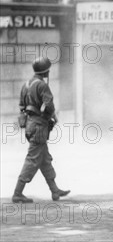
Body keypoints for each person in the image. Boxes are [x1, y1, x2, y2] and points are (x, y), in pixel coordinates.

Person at [12, 56, 70, 203]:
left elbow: (21, 106)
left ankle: (54, 191)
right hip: (39, 127)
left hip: (31, 125)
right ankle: (17, 193)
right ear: (45, 72)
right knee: (32, 160)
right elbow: (49, 105)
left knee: (44, 160)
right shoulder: (42, 85)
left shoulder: (26, 84)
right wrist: (48, 117)